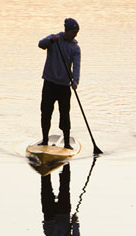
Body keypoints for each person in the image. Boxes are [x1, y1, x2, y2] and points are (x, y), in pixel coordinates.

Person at [38, 18, 81, 149]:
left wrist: (75, 81)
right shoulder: (54, 39)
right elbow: (41, 44)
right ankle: (45, 140)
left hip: (64, 86)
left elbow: (77, 67)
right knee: (45, 112)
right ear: (66, 31)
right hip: (49, 83)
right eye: (73, 32)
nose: (75, 35)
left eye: (76, 32)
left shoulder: (75, 48)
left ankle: (67, 143)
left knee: (65, 115)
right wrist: (51, 40)